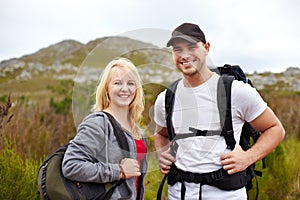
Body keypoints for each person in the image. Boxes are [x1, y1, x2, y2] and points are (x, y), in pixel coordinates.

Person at [154, 22, 285, 200]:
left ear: (206, 48)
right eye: (177, 49)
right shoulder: (166, 98)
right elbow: (160, 134)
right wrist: (163, 153)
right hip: (179, 194)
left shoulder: (236, 91)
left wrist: (247, 158)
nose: (184, 55)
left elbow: (275, 129)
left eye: (191, 47)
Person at [62, 57, 147, 200]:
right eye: (117, 83)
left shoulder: (136, 129)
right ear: (107, 89)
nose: (125, 89)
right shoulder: (98, 123)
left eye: (131, 83)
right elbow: (71, 165)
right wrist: (118, 171)